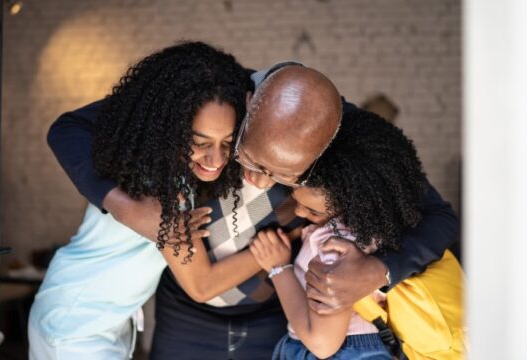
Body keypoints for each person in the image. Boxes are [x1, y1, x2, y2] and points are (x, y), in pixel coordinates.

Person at [47, 61, 459, 359]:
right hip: (186, 315)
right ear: (248, 106)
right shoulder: (213, 97)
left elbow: (439, 217)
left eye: (283, 175)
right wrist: (125, 207)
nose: (261, 180)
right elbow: (69, 129)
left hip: (275, 316)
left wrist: (380, 270)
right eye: (253, 160)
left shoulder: (345, 134)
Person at [28, 41, 256, 360]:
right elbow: (202, 285)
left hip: (98, 322)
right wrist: (273, 254)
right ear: (171, 127)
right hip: (76, 327)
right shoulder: (157, 186)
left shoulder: (170, 174)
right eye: (199, 142)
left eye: (227, 143)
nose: (216, 158)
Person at [250, 109, 441, 359]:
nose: (299, 211)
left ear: (350, 203)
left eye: (311, 210)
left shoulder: (334, 248)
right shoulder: (365, 231)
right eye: (296, 199)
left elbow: (322, 343)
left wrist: (278, 269)